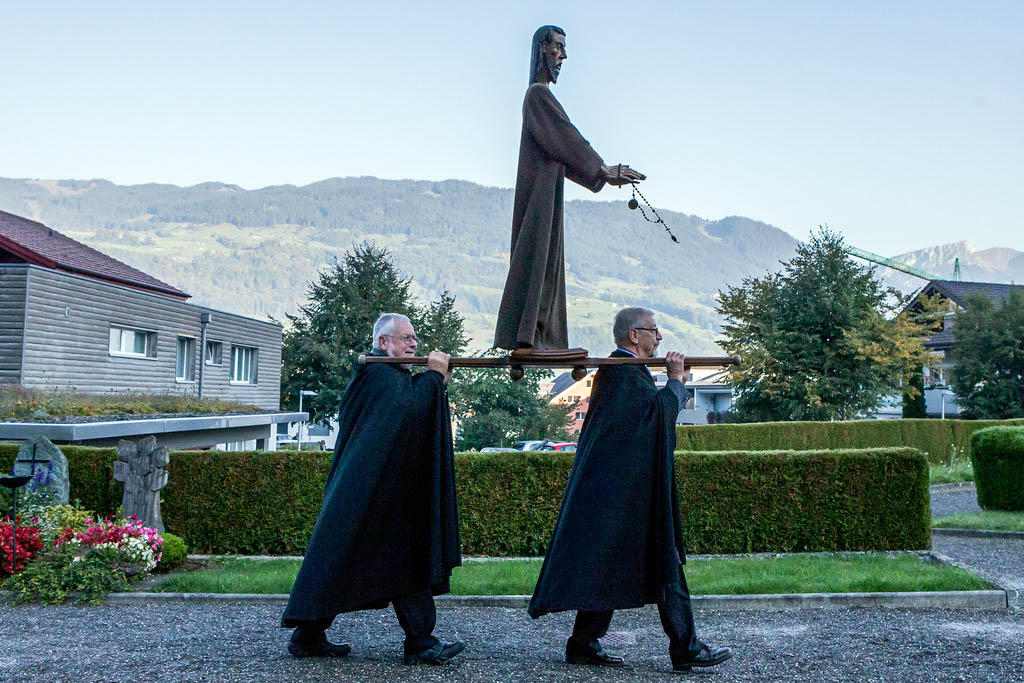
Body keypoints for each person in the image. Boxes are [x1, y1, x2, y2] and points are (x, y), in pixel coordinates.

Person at [528, 307, 732, 673]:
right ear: (634, 335)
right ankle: (685, 648)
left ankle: (583, 643)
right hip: (627, 498)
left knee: (607, 563)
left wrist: (675, 384)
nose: (660, 337)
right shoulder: (624, 373)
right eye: (654, 330)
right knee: (665, 562)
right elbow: (657, 420)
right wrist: (674, 382)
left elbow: (647, 420)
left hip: (620, 496)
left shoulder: (624, 373)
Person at [281, 313, 465, 665]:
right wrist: (433, 378)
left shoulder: (386, 376)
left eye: (414, 338)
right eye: (406, 338)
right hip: (372, 494)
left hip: (379, 494)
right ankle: (420, 643)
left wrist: (432, 380)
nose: (413, 344)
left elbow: (407, 412)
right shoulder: (379, 375)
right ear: (384, 343)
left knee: (355, 561)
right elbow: (407, 409)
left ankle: (311, 635)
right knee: (357, 561)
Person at [494, 25, 646, 353]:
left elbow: (563, 146)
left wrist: (598, 174)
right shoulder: (537, 95)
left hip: (546, 192)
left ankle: (536, 338)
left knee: (545, 259)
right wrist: (602, 169)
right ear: (541, 50)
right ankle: (530, 338)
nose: (563, 56)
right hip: (539, 197)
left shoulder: (541, 95)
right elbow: (566, 138)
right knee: (539, 258)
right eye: (558, 47)